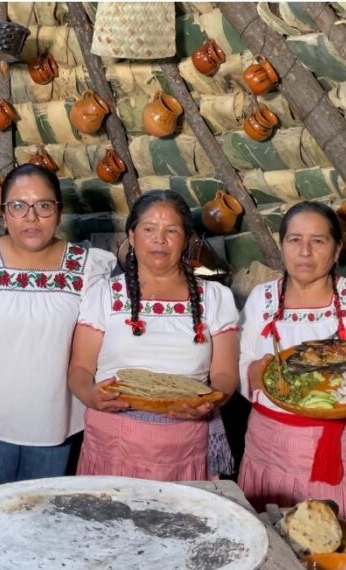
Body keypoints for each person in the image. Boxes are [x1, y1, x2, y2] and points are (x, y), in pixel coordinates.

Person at [0, 164, 116, 489]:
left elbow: (96, 342)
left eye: (43, 206)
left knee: (42, 521)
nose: (31, 217)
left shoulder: (86, 267)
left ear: (59, 211)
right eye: (19, 206)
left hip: (54, 421)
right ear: (4, 213)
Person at [68, 190, 240, 481]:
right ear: (132, 237)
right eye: (149, 229)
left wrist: (209, 401)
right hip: (113, 442)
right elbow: (80, 368)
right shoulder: (104, 295)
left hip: (185, 444)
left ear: (186, 239)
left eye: (171, 230)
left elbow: (225, 375)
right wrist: (89, 395)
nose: (159, 239)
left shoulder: (215, 298)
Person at [238, 200, 346, 519]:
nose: (305, 252)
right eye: (294, 240)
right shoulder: (262, 298)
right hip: (268, 444)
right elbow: (243, 369)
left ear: (336, 250)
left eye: (318, 241)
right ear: (282, 246)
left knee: (331, 541)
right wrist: (257, 370)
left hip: (333, 445)